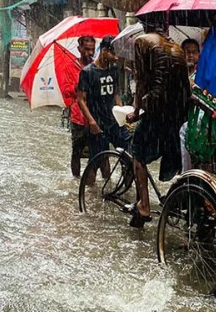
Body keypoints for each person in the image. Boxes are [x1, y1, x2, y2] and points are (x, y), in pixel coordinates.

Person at [127, 26, 191, 228]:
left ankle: (144, 205)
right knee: (176, 152)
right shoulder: (178, 49)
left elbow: (141, 80)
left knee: (137, 152)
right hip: (178, 113)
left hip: (157, 110)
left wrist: (136, 112)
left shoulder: (142, 41)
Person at [76, 35, 129, 184]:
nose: (116, 57)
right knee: (96, 159)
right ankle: (90, 194)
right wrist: (91, 122)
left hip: (114, 121)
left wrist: (122, 110)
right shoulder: (87, 72)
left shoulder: (113, 69)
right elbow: (80, 99)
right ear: (104, 51)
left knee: (128, 152)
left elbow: (115, 94)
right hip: (97, 122)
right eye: (114, 53)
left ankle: (121, 188)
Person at [67, 36, 97, 178]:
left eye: (92, 49)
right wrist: (81, 84)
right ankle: (76, 181)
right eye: (87, 49)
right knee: (77, 152)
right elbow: (67, 91)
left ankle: (94, 185)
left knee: (96, 153)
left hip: (94, 115)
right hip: (78, 117)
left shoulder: (96, 66)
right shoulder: (70, 67)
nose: (90, 53)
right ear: (79, 49)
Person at [179, 38, 201, 172]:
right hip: (178, 115)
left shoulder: (202, 74)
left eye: (193, 52)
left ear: (198, 54)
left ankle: (186, 174)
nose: (190, 55)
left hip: (196, 118)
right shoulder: (177, 73)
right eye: (187, 52)